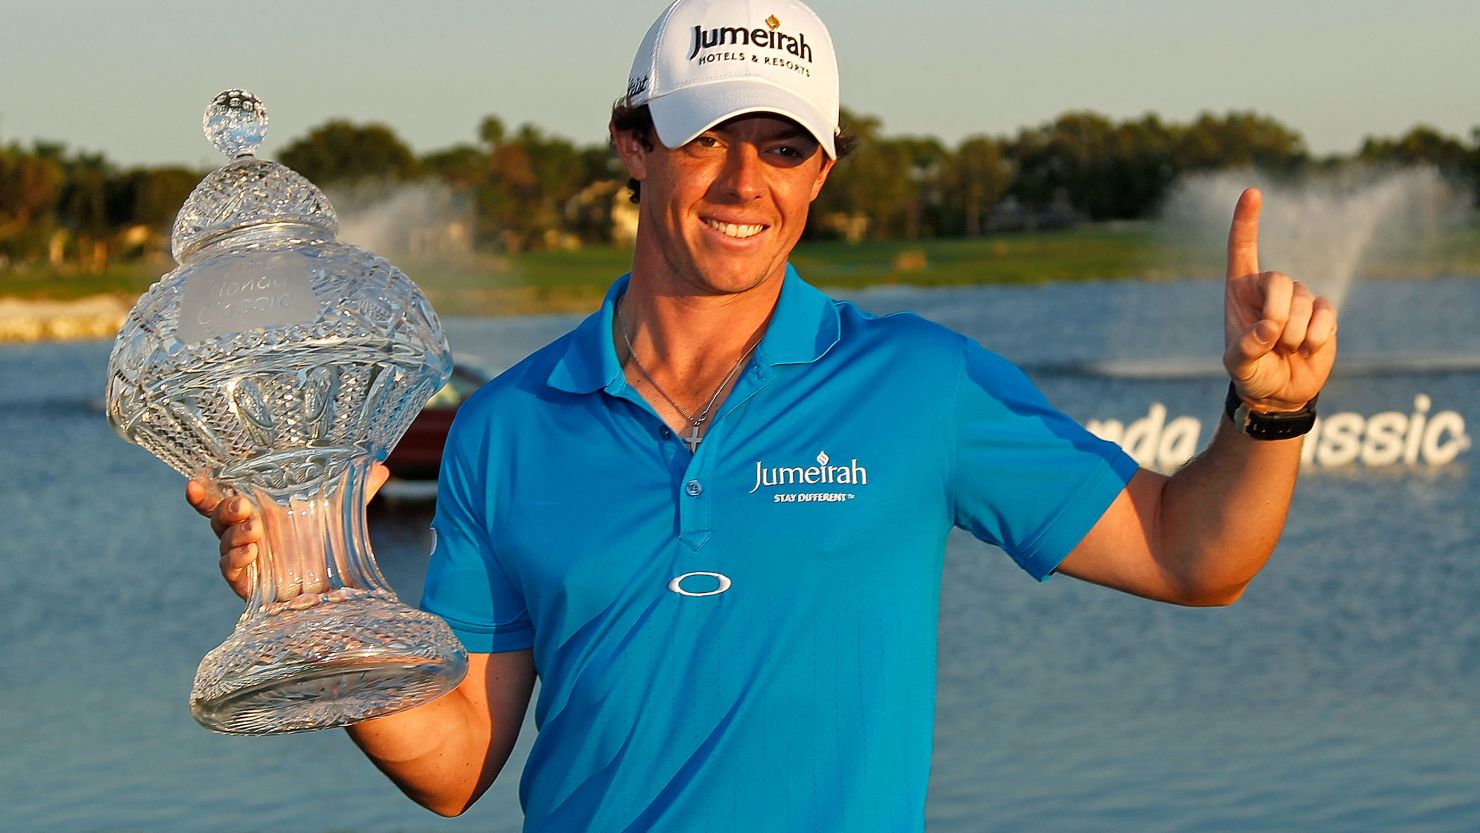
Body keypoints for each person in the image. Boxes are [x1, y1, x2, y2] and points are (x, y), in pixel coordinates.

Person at [187, 0, 1337, 829]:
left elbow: (1196, 555)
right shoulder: (508, 427)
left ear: (822, 173)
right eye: (707, 137)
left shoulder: (919, 384)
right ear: (631, 145)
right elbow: (452, 764)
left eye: (787, 147)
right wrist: (319, 605)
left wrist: (1267, 413)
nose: (747, 183)